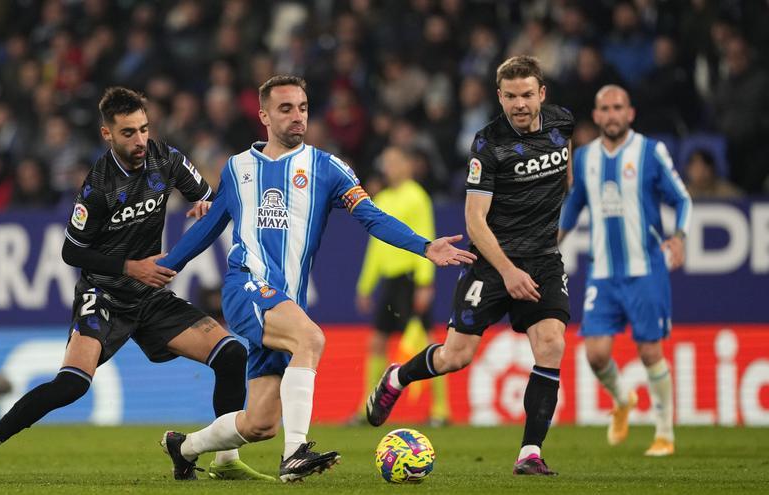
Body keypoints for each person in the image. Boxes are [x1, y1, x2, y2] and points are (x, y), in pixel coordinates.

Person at [155, 75, 476, 482]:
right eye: (286, 109)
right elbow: (210, 225)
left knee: (259, 423)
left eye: (303, 108)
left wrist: (424, 247)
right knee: (312, 339)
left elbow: (371, 217)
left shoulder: (329, 169)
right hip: (246, 286)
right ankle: (295, 455)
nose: (297, 116)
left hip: (286, 302)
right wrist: (168, 265)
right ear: (264, 115)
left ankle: (182, 447)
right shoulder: (238, 169)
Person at [0, 87, 271, 483]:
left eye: (143, 129)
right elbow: (71, 251)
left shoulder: (165, 159)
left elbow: (208, 196)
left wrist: (206, 204)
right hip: (102, 294)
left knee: (232, 354)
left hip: (149, 295)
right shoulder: (98, 187)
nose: (140, 141)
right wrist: (131, 267)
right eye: (128, 133)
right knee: (71, 385)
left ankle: (224, 460)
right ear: (107, 134)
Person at [365, 56, 574, 476]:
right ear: (499, 96)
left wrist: (554, 230)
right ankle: (397, 378)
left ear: (542, 95)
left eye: (527, 95)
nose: (519, 104)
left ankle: (529, 452)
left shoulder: (562, 124)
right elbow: (474, 222)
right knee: (456, 357)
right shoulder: (488, 143)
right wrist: (509, 271)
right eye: (511, 96)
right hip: (493, 263)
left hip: (544, 260)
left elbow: (566, 178)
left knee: (551, 344)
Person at [558, 85, 692, 457]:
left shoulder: (650, 152)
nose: (612, 114)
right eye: (605, 108)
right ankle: (623, 399)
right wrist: (550, 245)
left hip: (645, 269)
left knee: (650, 351)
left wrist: (679, 237)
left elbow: (681, 198)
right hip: (603, 272)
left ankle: (664, 433)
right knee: (596, 354)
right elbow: (573, 208)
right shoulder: (584, 159)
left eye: (618, 107)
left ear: (630, 113)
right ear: (597, 116)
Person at [353, 145, 449, 426]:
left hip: (410, 279)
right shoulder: (380, 197)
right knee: (377, 342)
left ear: (408, 166)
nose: (391, 167)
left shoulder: (416, 196)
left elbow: (426, 238)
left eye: (396, 162)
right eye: (388, 162)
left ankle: (441, 410)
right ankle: (364, 407)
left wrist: (424, 283)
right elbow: (375, 247)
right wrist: (366, 285)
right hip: (389, 281)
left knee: (426, 342)